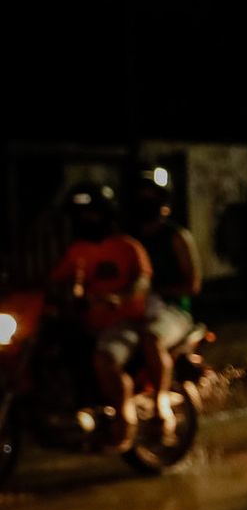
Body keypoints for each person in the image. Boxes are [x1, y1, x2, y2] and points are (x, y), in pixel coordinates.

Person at [46, 183, 152, 449]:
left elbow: (142, 280)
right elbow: (55, 280)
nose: (87, 219)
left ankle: (124, 418)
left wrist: (120, 297)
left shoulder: (128, 247)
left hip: (124, 322)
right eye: (81, 215)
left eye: (92, 213)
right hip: (88, 322)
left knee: (104, 359)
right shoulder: (77, 250)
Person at [132, 173, 202, 429]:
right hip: (136, 310)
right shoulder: (130, 240)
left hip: (173, 312)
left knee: (151, 338)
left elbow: (193, 285)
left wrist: (156, 292)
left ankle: (161, 402)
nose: (146, 202)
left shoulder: (176, 237)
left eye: (152, 197)